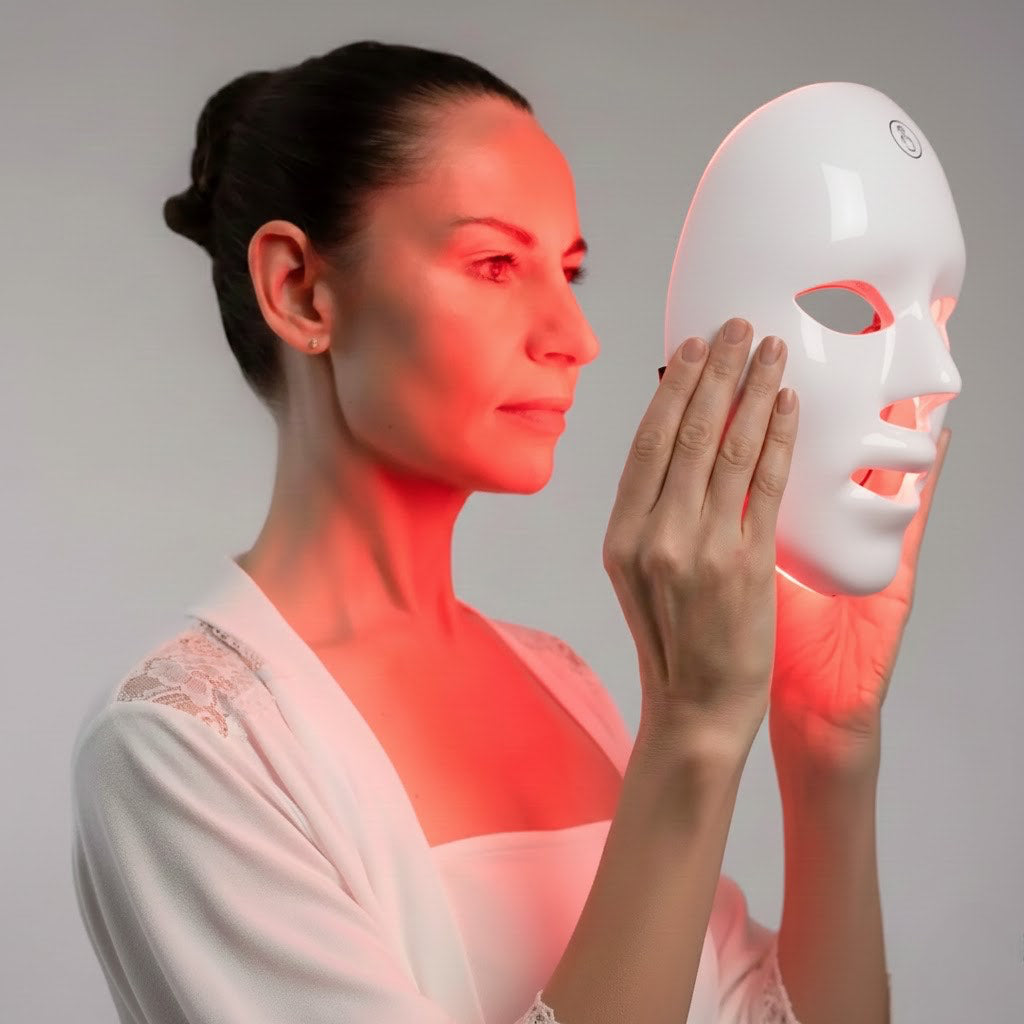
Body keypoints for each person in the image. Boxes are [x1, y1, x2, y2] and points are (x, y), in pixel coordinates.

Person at [71, 40, 811, 1023]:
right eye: (495, 263)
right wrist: (693, 732)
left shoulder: (560, 681)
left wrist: (833, 743)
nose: (576, 337)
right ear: (299, 289)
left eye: (570, 272)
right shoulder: (181, 745)